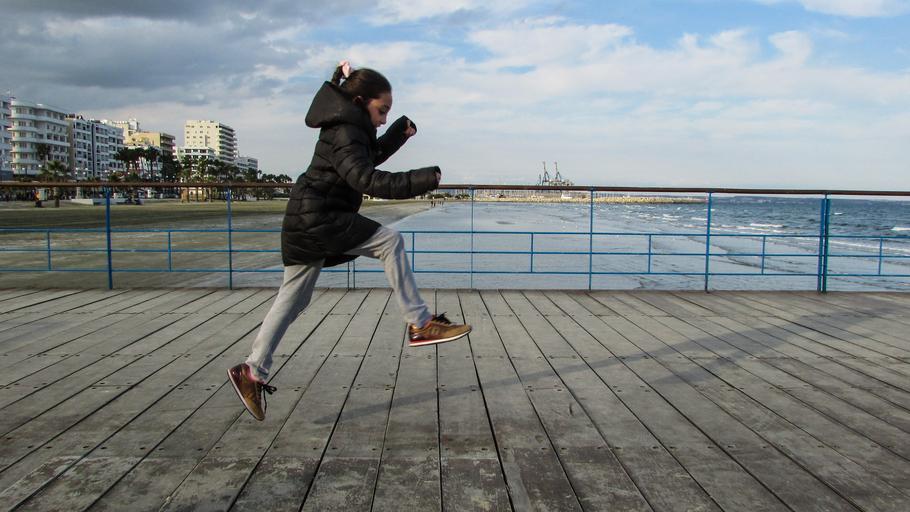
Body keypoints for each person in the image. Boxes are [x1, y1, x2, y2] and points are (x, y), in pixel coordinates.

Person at [228, 61, 471, 421]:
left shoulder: (348, 126)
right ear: (359, 102)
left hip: (307, 218)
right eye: (382, 111)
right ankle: (420, 323)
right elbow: (365, 178)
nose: (383, 119)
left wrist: (398, 133)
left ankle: (251, 371)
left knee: (293, 300)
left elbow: (366, 158)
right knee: (390, 242)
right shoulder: (346, 131)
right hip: (320, 217)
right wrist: (422, 180)